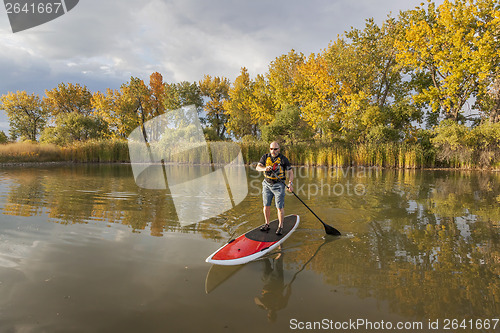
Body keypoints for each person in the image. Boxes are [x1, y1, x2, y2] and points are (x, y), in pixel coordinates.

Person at [256, 141, 293, 235]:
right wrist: (265, 168)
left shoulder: (283, 159)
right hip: (266, 184)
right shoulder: (265, 157)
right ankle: (267, 224)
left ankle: (280, 226)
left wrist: (290, 183)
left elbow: (290, 172)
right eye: (271, 149)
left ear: (279, 149)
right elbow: (258, 167)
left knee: (279, 207)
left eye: (275, 149)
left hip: (279, 186)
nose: (273, 151)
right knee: (266, 206)